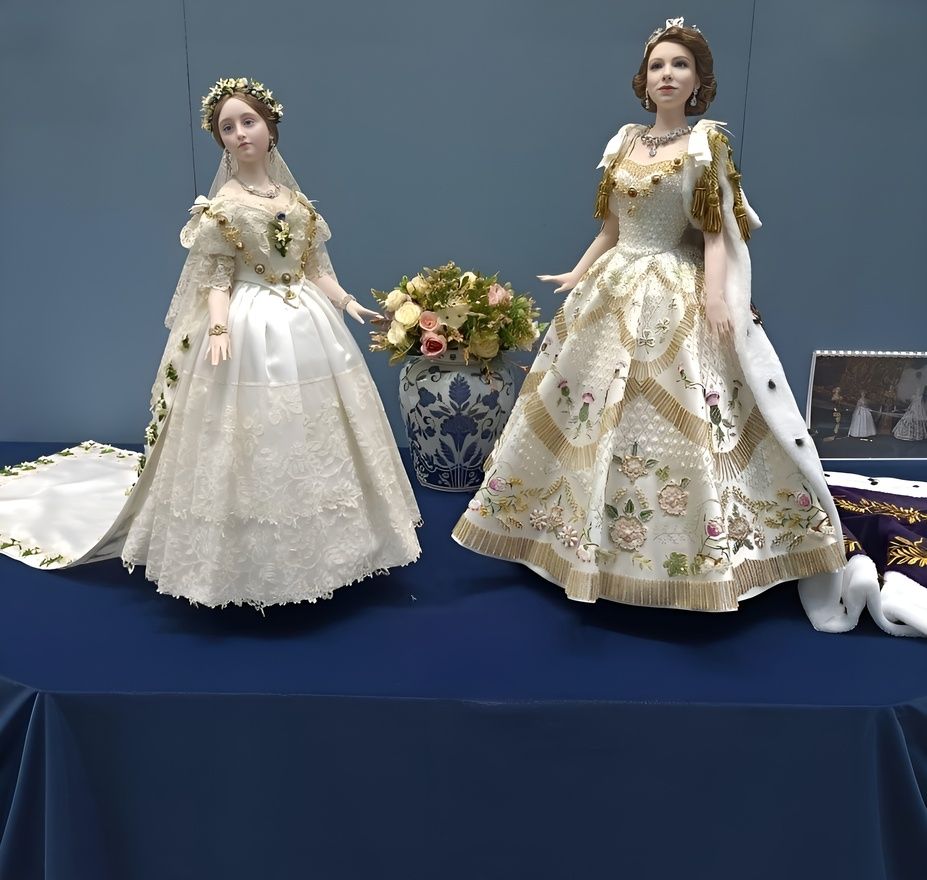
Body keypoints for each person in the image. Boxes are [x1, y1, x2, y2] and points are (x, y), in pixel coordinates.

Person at [452, 19, 845, 617]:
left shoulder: (706, 145)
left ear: (698, 81)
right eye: (658, 65)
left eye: (680, 65)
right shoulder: (623, 143)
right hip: (614, 287)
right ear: (644, 80)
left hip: (673, 291)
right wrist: (577, 273)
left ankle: (691, 553)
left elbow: (713, 231)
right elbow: (610, 229)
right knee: (589, 405)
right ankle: (573, 537)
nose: (667, 74)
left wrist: (716, 296)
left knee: (691, 406)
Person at [0, 77, 421, 608]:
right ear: (220, 140)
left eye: (249, 122)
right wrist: (219, 328)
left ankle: (335, 550)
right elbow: (217, 278)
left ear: (270, 128)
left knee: (314, 428)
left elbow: (314, 267)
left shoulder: (296, 201)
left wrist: (347, 302)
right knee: (251, 428)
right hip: (251, 326)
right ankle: (249, 558)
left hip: (308, 324)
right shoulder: (223, 206)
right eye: (228, 127)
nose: (240, 134)